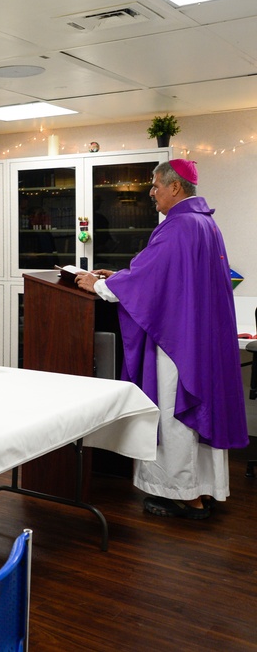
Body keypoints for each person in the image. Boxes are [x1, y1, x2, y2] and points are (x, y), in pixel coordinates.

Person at [75, 159, 248, 520]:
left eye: (155, 186)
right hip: (200, 338)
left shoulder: (178, 225)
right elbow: (163, 276)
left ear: (176, 187)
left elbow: (152, 282)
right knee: (197, 410)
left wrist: (100, 285)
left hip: (178, 344)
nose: (151, 193)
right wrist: (122, 275)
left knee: (175, 412)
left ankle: (184, 495)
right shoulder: (205, 224)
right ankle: (204, 489)